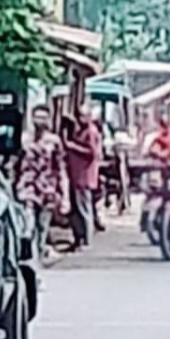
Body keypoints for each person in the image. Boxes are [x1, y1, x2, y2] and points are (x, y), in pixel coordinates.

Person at [15, 106, 68, 239]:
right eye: (37, 117)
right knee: (28, 224)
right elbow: (16, 162)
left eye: (43, 118)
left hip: (48, 188)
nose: (40, 121)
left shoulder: (54, 141)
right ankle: (31, 252)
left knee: (43, 225)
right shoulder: (24, 140)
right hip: (28, 187)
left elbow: (61, 168)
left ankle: (39, 251)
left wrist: (65, 195)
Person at [64, 105, 106, 246]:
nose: (80, 119)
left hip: (84, 176)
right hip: (77, 175)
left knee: (84, 208)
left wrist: (72, 147)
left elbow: (92, 153)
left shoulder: (91, 132)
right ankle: (80, 238)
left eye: (83, 116)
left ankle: (87, 239)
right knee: (78, 209)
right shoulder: (81, 131)